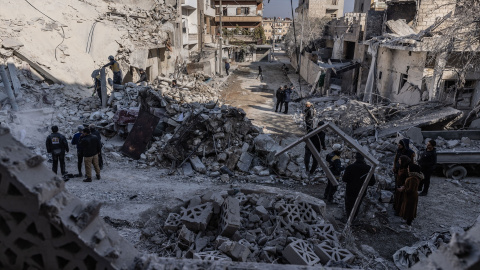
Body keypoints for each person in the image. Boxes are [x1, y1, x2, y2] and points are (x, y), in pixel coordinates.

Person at [342, 152, 376, 220]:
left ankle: (348, 218)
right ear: (363, 158)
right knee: (357, 204)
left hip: (350, 190)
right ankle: (353, 218)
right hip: (361, 190)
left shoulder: (350, 167)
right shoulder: (368, 168)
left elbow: (344, 179)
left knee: (349, 204)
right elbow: (372, 182)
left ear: (355, 158)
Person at [398, 163, 424, 229]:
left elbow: (411, 189)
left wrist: (403, 189)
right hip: (410, 196)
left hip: (411, 197)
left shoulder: (413, 179)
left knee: (410, 209)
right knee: (407, 208)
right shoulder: (413, 177)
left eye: (408, 168)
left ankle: (408, 225)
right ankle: (406, 221)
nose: (407, 169)